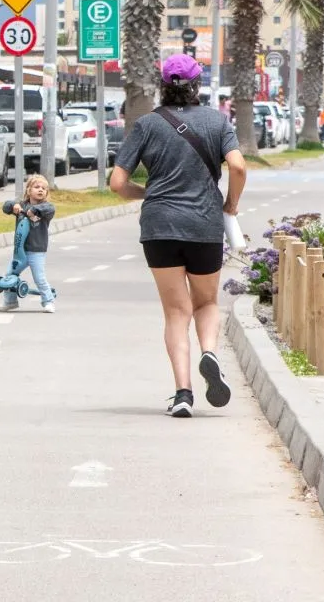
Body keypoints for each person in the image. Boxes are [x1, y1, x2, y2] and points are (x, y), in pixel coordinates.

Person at [109, 53, 246, 418]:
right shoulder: (218, 122)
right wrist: (231, 202)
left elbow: (117, 183)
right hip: (204, 225)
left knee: (175, 311)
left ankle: (183, 393)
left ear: (163, 87)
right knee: (206, 302)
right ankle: (210, 354)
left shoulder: (147, 124)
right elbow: (237, 165)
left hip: (159, 227)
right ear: (197, 85)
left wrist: (147, 194)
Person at [0, 174, 56, 314]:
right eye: (36, 187)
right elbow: (6, 207)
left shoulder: (46, 207)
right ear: (29, 190)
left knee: (39, 278)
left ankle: (48, 301)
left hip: (36, 250)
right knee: (10, 275)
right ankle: (10, 302)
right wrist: (14, 206)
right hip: (20, 251)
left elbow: (48, 209)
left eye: (43, 188)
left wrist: (34, 211)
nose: (40, 190)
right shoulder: (22, 205)